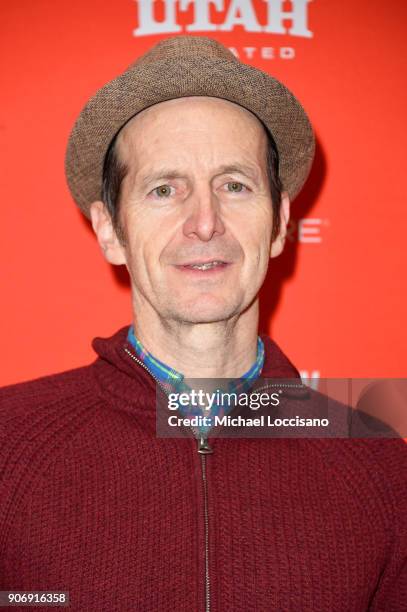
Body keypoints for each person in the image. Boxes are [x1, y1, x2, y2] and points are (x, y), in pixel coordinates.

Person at [0, 35, 406, 611]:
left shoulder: (380, 466)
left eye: (234, 185)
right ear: (109, 231)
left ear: (280, 222)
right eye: (164, 189)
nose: (204, 222)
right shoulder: (8, 447)